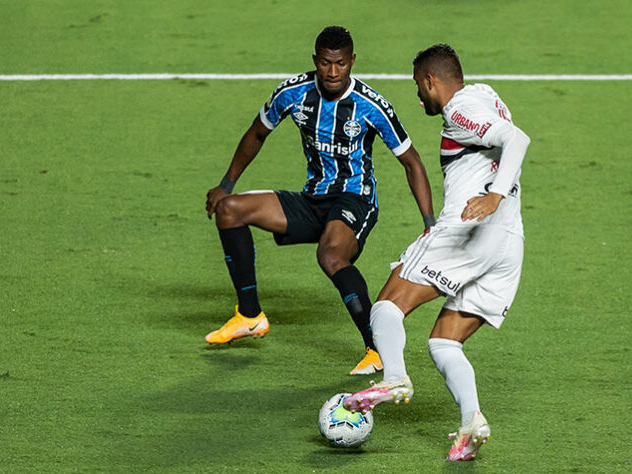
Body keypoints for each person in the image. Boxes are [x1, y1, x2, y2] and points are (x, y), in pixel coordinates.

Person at [203, 26, 435, 375]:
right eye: (325, 63)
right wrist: (227, 184)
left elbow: (412, 161)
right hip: (313, 200)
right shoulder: (293, 93)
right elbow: (256, 132)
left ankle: (377, 348)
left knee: (330, 254)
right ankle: (250, 315)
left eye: (340, 64)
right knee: (230, 211)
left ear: (352, 61)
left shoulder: (371, 106)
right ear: (315, 60)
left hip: (355, 199)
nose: (332, 72)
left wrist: (430, 224)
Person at [344, 44, 531, 461]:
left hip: (470, 232)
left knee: (388, 303)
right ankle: (471, 422)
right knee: (445, 344)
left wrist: (494, 196)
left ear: (431, 81)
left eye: (418, 86)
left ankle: (393, 378)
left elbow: (516, 138)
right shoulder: (487, 95)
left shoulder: (460, 109)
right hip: (508, 244)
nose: (418, 96)